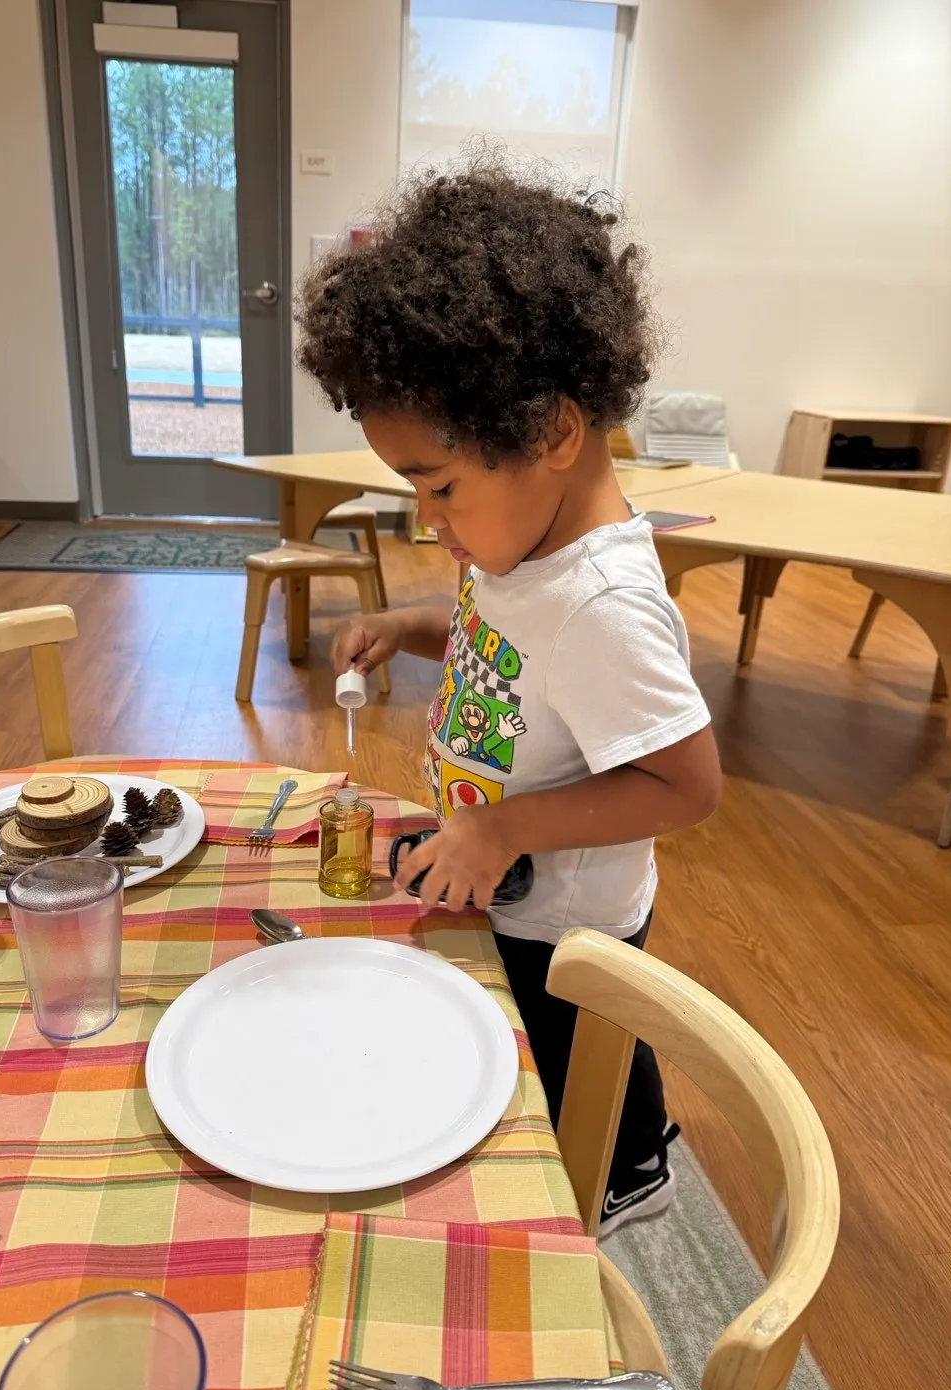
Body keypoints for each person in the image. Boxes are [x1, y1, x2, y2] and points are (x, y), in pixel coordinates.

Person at [298, 158, 721, 1236]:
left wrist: (508, 825)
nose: (428, 521)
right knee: (531, 1050)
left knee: (583, 1063)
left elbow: (686, 782)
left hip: (567, 921)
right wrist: (413, 625)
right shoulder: (523, 553)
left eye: (440, 488)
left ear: (551, 436)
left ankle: (629, 1176)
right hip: (512, 875)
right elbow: (506, 650)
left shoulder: (601, 605)